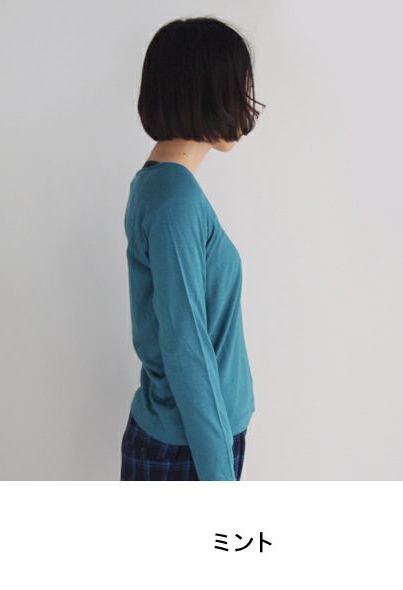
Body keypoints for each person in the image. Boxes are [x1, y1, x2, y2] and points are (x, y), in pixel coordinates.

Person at [120, 16, 265, 481]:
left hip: (197, 438)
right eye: (241, 88)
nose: (248, 103)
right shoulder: (174, 202)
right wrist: (219, 475)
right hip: (191, 448)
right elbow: (185, 347)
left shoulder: (162, 187)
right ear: (206, 92)